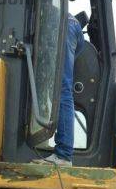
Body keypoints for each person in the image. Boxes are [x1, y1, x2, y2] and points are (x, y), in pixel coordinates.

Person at [35, 13, 85, 167]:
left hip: (62, 26)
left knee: (61, 89)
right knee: (49, 87)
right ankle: (43, 142)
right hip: (68, 26)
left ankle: (63, 155)